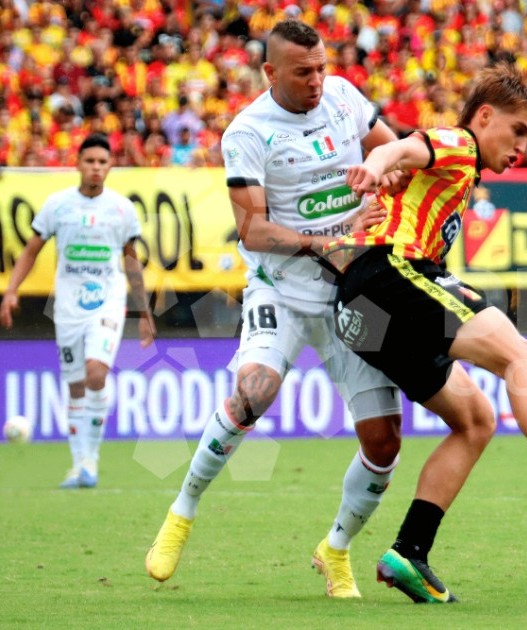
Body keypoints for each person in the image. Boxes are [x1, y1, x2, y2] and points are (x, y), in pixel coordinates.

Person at [322, 62, 527, 604]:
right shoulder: (457, 143)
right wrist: (377, 161)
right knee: (520, 354)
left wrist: (377, 179)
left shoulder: (459, 175)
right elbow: (402, 150)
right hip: (391, 275)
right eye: (518, 130)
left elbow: (400, 172)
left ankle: (409, 551)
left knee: (476, 420)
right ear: (484, 116)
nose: (523, 146)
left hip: (362, 309)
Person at [145, 20, 409, 599]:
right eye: (303, 72)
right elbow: (253, 230)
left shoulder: (343, 97)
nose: (317, 81)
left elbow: (391, 149)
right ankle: (182, 511)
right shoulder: (247, 132)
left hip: (350, 289)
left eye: (321, 67)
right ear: (270, 73)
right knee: (254, 391)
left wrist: (384, 176)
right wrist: (330, 238)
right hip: (280, 288)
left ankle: (335, 551)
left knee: (386, 441)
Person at [0, 133, 156, 488]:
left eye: (103, 162)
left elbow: (131, 262)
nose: (96, 168)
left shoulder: (121, 209)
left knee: (96, 373)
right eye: (90, 162)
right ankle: (78, 465)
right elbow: (31, 251)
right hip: (68, 307)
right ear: (78, 164)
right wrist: (11, 290)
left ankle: (92, 459)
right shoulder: (58, 205)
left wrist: (144, 311)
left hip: (107, 301)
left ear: (110, 166)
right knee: (74, 385)